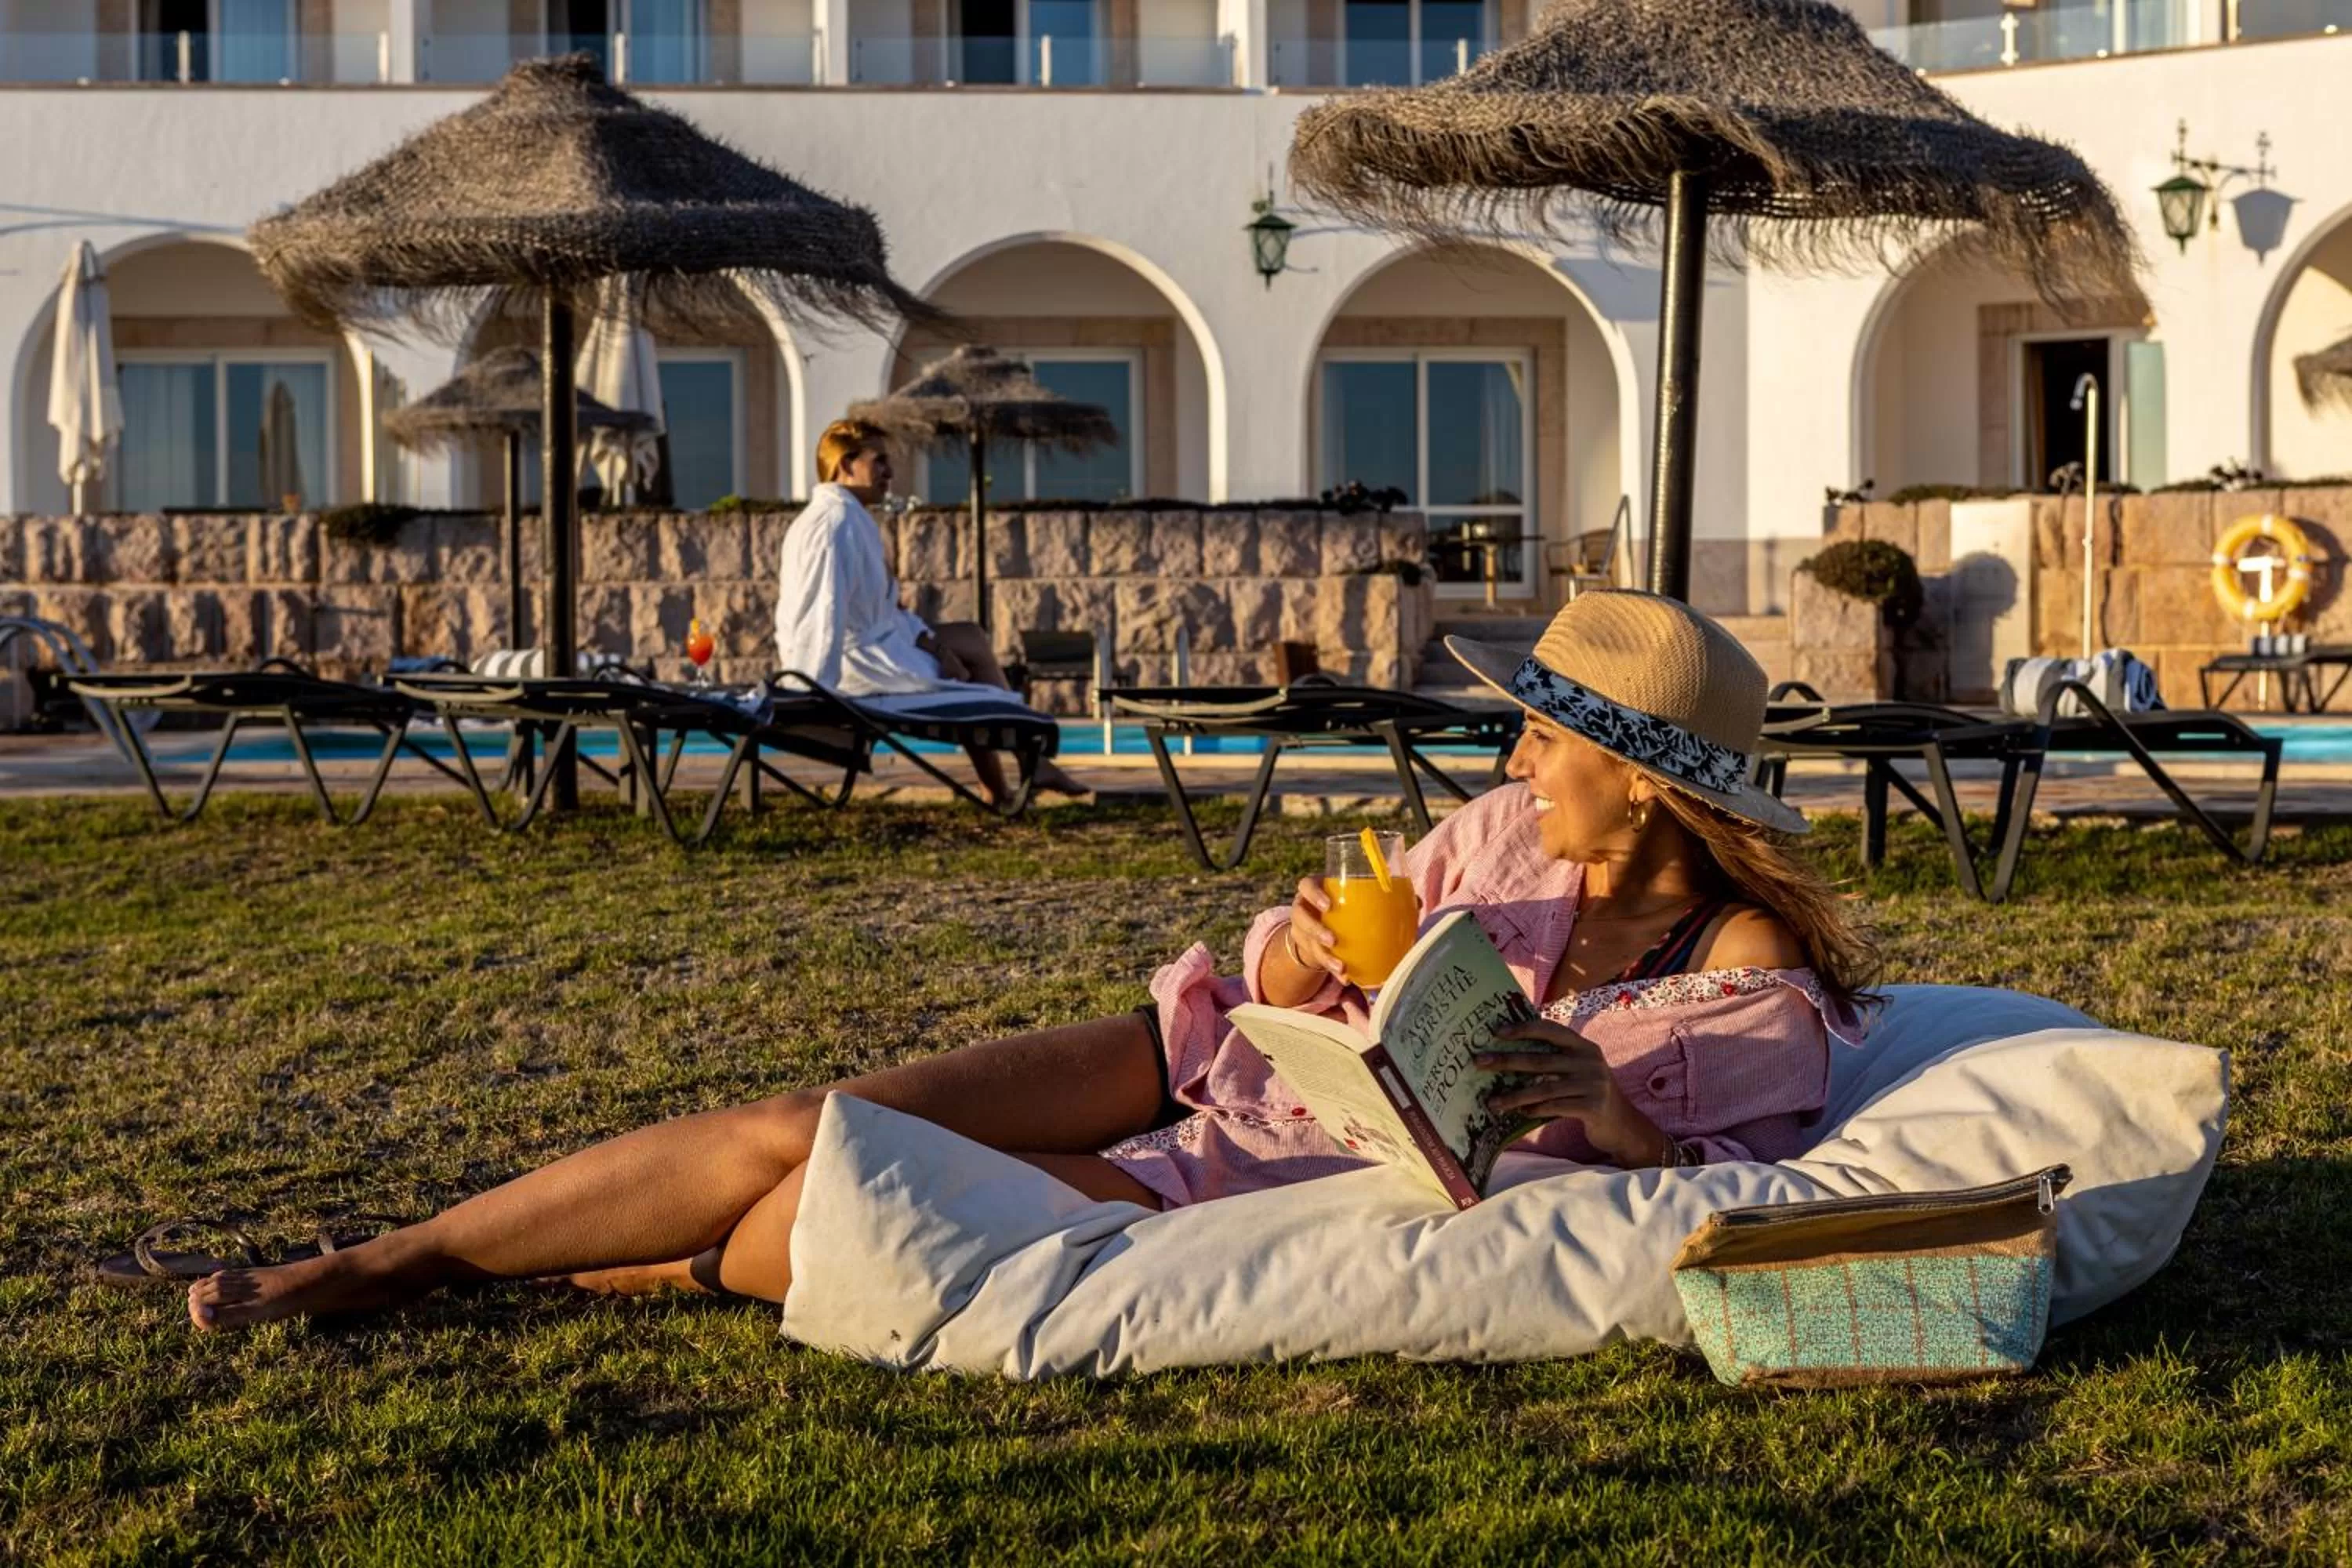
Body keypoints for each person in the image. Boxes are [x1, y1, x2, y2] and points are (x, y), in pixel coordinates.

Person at [186, 590, 1878, 1330]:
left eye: (1542, 743)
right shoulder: (1503, 843)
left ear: (1642, 779)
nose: (1511, 765)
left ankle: (533, 1271)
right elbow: (1311, 975)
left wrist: (1607, 1105)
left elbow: (1735, 1188)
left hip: (1246, 1181)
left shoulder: (1745, 990)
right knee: (812, 1115)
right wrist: (1298, 951)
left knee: (817, 1205)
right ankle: (395, 1258)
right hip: (1202, 1059)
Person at [771, 416, 1087, 804]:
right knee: (971, 667)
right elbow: (820, 610)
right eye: (879, 461)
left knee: (970, 637)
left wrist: (938, 650)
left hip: (882, 642)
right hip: (861, 664)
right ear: (846, 465)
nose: (890, 472)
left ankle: (1012, 776)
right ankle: (1019, 770)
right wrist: (813, 690)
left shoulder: (851, 519)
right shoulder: (834, 525)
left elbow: (888, 612)